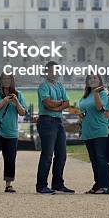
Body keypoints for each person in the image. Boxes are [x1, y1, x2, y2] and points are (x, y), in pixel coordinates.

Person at [0, 73, 28, 193]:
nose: (7, 81)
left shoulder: (18, 94)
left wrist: (16, 102)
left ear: (12, 81)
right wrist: (3, 101)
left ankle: (8, 184)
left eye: (9, 79)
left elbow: (23, 113)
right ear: (0, 80)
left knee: (10, 158)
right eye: (4, 78)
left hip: (11, 132)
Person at [36, 61, 75, 194]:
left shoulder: (60, 86)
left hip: (58, 121)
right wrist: (60, 104)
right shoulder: (43, 86)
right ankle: (41, 185)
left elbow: (68, 103)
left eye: (57, 71)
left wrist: (56, 106)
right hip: (46, 121)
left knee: (62, 154)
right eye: (52, 71)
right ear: (47, 72)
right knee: (47, 154)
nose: (55, 73)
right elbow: (47, 104)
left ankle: (58, 184)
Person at [79, 74, 109, 194]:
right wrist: (81, 114)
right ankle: (98, 184)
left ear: (100, 80)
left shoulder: (103, 94)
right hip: (88, 131)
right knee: (94, 159)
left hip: (100, 130)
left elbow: (99, 108)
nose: (92, 80)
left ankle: (105, 185)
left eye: (95, 78)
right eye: (90, 78)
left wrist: (96, 93)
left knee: (101, 158)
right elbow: (83, 109)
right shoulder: (85, 96)